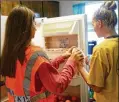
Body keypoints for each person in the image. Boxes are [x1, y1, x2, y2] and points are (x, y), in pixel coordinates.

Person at [0, 6, 84, 102]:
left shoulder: (8, 55)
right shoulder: (36, 55)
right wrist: (72, 61)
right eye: (33, 24)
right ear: (26, 28)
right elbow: (58, 85)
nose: (35, 28)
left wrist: (62, 57)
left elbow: (36, 73)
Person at [77, 1, 119, 102]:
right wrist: (92, 62)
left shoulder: (100, 49)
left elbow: (96, 87)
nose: (93, 28)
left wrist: (80, 67)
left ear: (99, 23)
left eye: (93, 24)